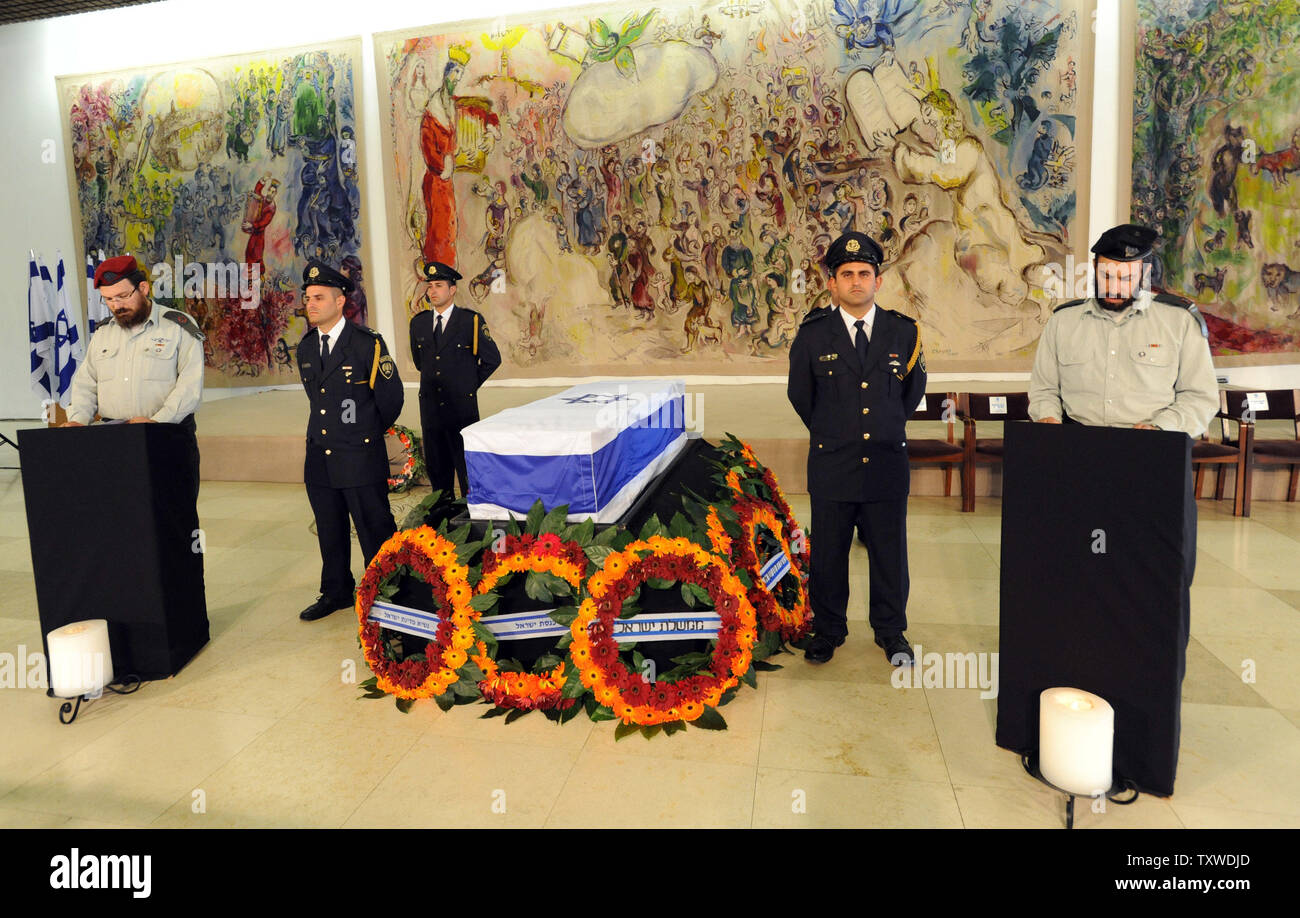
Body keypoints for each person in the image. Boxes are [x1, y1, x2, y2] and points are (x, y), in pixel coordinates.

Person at [787, 231, 926, 666]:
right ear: (832, 282)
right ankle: (827, 630)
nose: (856, 282)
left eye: (864, 273)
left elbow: (911, 393)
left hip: (886, 462)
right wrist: (835, 429)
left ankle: (891, 631)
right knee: (828, 553)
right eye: (846, 274)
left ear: (878, 280)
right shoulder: (812, 335)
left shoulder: (903, 332)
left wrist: (881, 427)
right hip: (833, 463)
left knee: (889, 552)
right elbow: (800, 395)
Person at [1028, 223, 1219, 434]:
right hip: (1078, 444)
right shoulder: (1062, 322)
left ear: (1144, 273)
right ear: (1093, 267)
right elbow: (1044, 389)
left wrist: (1162, 427)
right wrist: (1047, 416)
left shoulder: (1179, 321)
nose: (1114, 287)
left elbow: (1200, 396)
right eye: (1106, 276)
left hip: (1153, 446)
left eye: (1125, 278)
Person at [296, 260, 404, 621]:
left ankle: (388, 593)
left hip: (359, 454)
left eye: (319, 297)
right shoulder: (308, 347)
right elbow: (318, 400)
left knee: (374, 526)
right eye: (308, 297)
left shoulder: (365, 344)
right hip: (320, 457)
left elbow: (391, 400)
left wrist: (363, 435)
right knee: (330, 528)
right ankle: (337, 591)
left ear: (340, 301)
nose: (310, 304)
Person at [63, 255, 205, 501]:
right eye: (109, 299)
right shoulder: (103, 334)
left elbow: (189, 388)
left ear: (143, 288)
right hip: (115, 441)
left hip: (167, 438)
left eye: (122, 296)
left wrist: (156, 422)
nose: (116, 305)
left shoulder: (178, 327)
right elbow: (86, 385)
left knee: (174, 518)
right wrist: (78, 420)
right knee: (123, 518)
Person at [408, 260, 502, 499]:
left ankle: (472, 518)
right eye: (430, 286)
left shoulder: (469, 321)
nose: (432, 291)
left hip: (461, 408)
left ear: (452, 290)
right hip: (430, 409)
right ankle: (441, 519)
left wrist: (467, 385)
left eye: (438, 285)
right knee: (438, 470)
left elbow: (492, 359)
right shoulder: (418, 324)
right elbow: (421, 363)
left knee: (466, 469)